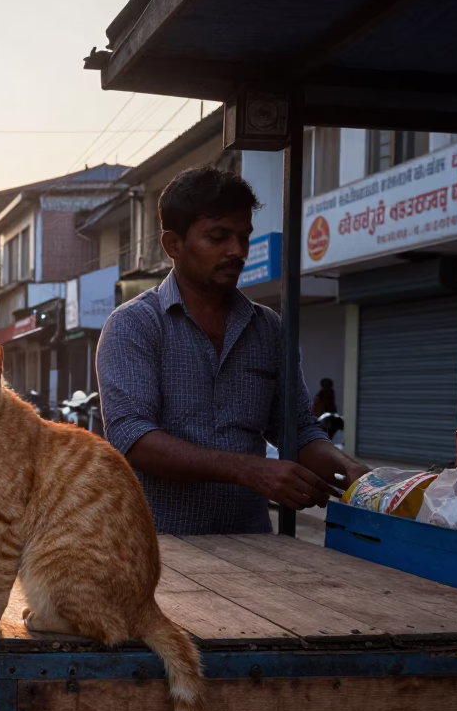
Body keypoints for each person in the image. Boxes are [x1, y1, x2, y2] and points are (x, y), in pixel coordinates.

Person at [96, 166, 369, 535]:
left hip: (252, 546)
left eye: (244, 237)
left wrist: (354, 474)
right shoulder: (134, 324)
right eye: (218, 237)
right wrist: (248, 469)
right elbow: (133, 438)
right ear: (172, 244)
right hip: (156, 546)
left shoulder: (268, 328)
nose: (237, 251)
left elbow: (298, 429)